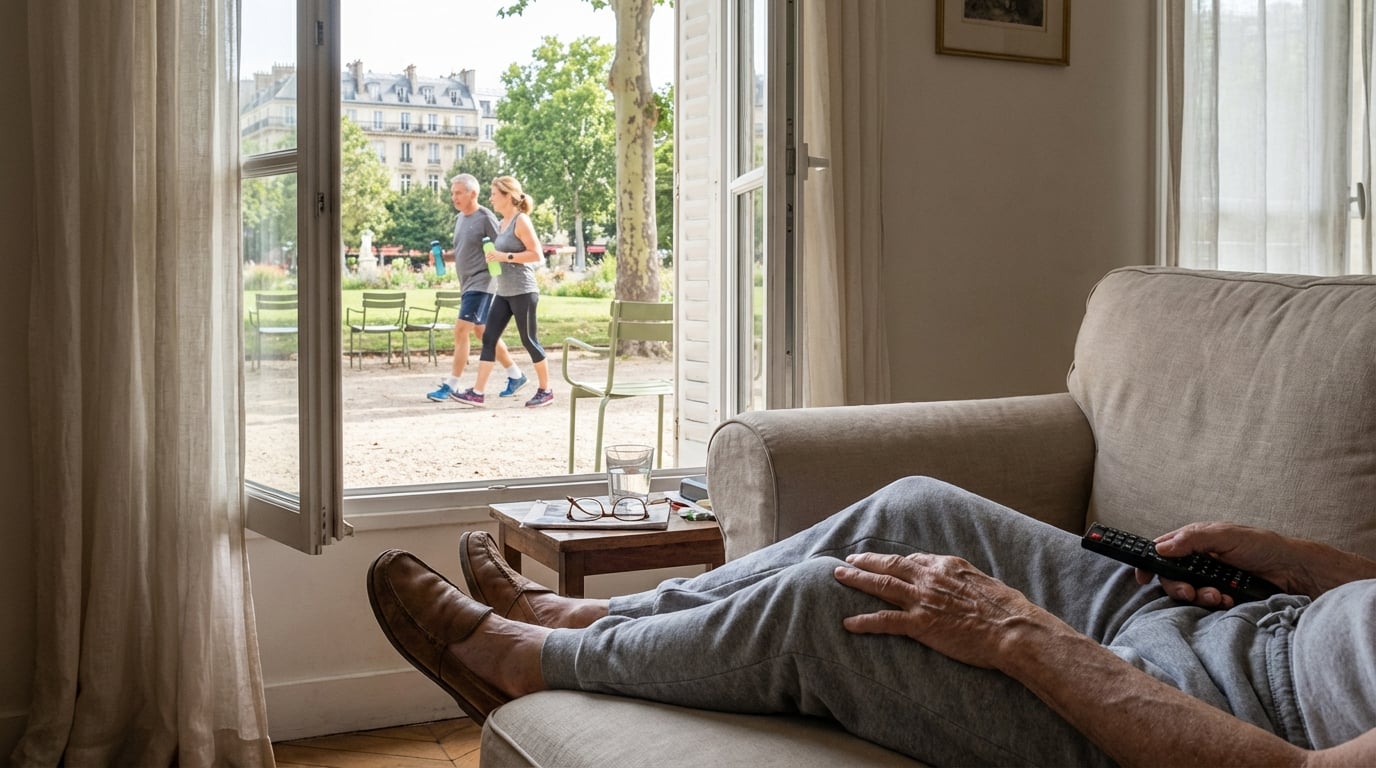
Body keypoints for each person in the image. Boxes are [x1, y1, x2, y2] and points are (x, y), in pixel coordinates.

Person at [367, 476, 1376, 766]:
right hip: (1252, 622)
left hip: (1215, 717)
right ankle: (593, 618)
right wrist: (1317, 571)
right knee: (909, 510)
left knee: (835, 605)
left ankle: (534, 657)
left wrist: (1016, 631)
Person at [448, 175, 554, 408]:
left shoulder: (521, 221)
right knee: (488, 337)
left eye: (494, 194)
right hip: (503, 291)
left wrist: (504, 256)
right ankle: (478, 392)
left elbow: (536, 255)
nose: (491, 199)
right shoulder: (502, 224)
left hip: (523, 290)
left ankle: (546, 389)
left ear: (507, 196)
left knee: (529, 339)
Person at [425, 174, 528, 403]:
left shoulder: (485, 217)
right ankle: (516, 374)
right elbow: (464, 252)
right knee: (482, 332)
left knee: (461, 330)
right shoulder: (460, 219)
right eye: (453, 193)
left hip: (483, 283)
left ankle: (451, 385)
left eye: (459, 193)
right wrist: (443, 258)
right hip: (468, 283)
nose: (454, 197)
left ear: (473, 193)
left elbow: (502, 244)